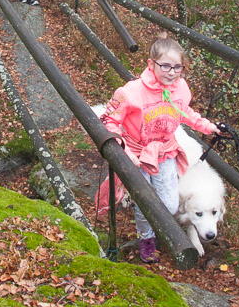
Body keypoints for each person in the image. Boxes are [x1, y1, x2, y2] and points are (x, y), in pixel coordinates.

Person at [95, 34, 222, 263]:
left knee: (170, 203)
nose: (171, 72)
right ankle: (146, 238)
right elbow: (110, 120)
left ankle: (156, 225)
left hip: (165, 151)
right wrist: (125, 151)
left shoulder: (180, 88)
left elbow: (185, 112)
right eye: (165, 65)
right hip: (138, 153)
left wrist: (207, 126)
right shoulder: (131, 92)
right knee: (147, 201)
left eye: (177, 67)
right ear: (151, 64)